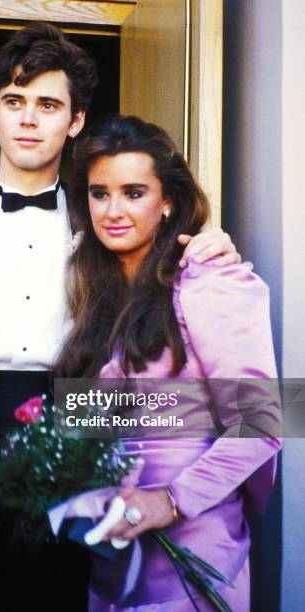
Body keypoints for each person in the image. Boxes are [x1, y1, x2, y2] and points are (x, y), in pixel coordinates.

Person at [0, 23, 240, 612]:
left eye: (48, 104)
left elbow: (254, 404)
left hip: (77, 456)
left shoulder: (107, 228)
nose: (28, 118)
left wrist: (205, 244)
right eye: (14, 101)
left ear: (74, 122)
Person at [55, 114, 281, 611]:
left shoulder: (210, 280)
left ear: (168, 201)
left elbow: (266, 420)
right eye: (99, 193)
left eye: (134, 192)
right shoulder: (93, 295)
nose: (113, 210)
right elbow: (86, 425)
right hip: (114, 550)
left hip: (193, 542)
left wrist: (171, 499)